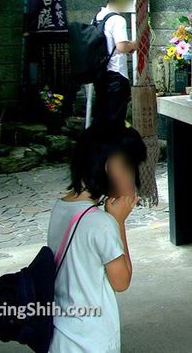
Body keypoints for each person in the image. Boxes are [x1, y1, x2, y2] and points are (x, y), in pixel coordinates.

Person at [48, 126, 146, 352]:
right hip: (90, 341)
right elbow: (122, 282)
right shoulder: (101, 224)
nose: (133, 177)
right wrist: (118, 222)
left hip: (59, 335)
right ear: (108, 166)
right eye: (128, 167)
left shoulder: (60, 208)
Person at [93, 0, 136, 129]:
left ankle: (101, 149)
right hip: (116, 74)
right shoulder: (118, 20)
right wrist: (134, 44)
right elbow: (121, 46)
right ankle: (113, 149)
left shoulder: (98, 17)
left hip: (100, 74)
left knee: (102, 117)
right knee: (115, 120)